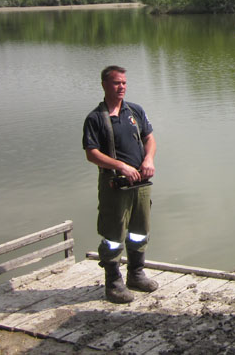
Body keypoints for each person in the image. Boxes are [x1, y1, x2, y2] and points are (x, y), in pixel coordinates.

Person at [82, 65, 158, 303]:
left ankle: (136, 274)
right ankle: (113, 283)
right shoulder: (95, 118)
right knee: (113, 235)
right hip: (115, 185)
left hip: (141, 184)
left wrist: (148, 159)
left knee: (139, 232)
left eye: (124, 82)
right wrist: (121, 166)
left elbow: (150, 139)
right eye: (116, 83)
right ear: (105, 85)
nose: (121, 87)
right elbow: (91, 153)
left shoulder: (135, 111)